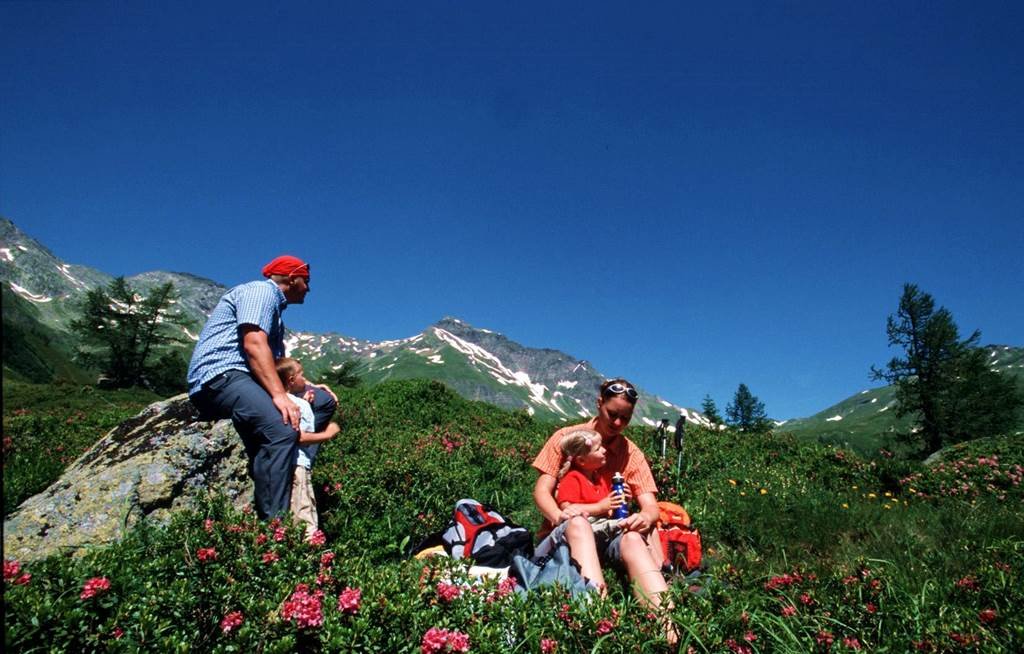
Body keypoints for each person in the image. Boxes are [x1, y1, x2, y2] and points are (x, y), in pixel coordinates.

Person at [187, 255, 337, 519]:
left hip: (249, 379)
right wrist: (280, 396)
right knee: (281, 429)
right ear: (292, 278)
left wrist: (305, 386)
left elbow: (276, 364)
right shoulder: (260, 292)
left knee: (323, 401)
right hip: (222, 376)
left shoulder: (275, 312)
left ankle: (292, 461)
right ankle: (275, 525)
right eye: (307, 281)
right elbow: (254, 345)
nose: (309, 288)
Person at [532, 379, 670, 612]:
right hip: (568, 534)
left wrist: (644, 518)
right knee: (578, 525)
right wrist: (559, 516)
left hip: (608, 535)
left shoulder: (631, 454)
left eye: (625, 418)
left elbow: (651, 507)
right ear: (599, 404)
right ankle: (600, 616)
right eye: (612, 414)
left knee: (634, 538)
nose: (617, 423)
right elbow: (541, 491)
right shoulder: (567, 438)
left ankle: (669, 629)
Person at [275, 357, 340, 540]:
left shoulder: (282, 401)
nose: (306, 380)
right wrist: (327, 434)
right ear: (291, 380)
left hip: (280, 464)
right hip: (299, 464)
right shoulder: (298, 404)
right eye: (302, 375)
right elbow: (300, 437)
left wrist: (307, 405)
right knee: (304, 511)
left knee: (290, 508)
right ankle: (309, 556)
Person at [554, 429, 625, 548]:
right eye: (598, 449)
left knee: (634, 525)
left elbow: (608, 510)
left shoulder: (598, 479)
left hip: (602, 525)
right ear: (581, 460)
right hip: (585, 528)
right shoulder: (572, 478)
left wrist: (619, 500)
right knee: (625, 526)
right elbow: (568, 508)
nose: (604, 450)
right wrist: (599, 507)